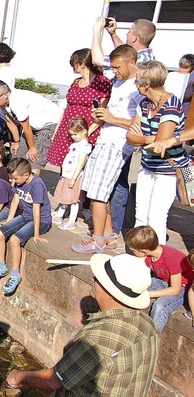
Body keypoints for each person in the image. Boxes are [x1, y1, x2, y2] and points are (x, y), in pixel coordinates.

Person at [6, 253, 158, 396]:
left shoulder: (98, 338)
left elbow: (54, 380)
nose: (92, 277)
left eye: (98, 278)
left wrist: (18, 376)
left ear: (111, 293)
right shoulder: (148, 324)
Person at [72, 45, 143, 255]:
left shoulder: (138, 87)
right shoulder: (119, 82)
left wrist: (112, 119)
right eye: (112, 67)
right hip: (105, 139)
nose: (115, 71)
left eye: (118, 67)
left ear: (132, 62)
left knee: (98, 194)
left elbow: (139, 123)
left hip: (117, 143)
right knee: (100, 190)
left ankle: (98, 239)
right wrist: (102, 116)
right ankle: (109, 236)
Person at [126, 60, 188, 245]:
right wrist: (149, 139)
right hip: (147, 165)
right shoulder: (144, 103)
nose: (135, 83)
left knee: (156, 217)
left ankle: (156, 260)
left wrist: (145, 138)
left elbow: (161, 144)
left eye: (137, 80)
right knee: (141, 214)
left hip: (167, 169)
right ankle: (139, 255)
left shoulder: (171, 104)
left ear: (146, 84)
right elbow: (131, 136)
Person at [0, 158, 52, 294]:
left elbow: (36, 210)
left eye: (15, 178)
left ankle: (15, 275)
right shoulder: (19, 182)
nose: (14, 182)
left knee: (15, 239)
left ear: (26, 175)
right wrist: (9, 220)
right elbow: (16, 200)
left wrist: (36, 233)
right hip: (26, 216)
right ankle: (0, 266)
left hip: (41, 221)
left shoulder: (37, 185)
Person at [47, 48, 112, 168]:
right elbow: (67, 107)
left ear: (82, 64)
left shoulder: (102, 82)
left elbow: (103, 110)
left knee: (80, 164)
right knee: (65, 164)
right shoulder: (75, 82)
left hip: (87, 129)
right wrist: (57, 130)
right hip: (67, 127)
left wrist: (87, 133)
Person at [125, 226, 192, 331]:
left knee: (160, 305)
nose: (132, 252)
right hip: (163, 281)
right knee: (132, 290)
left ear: (143, 251)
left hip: (183, 288)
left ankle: (151, 336)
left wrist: (147, 294)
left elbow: (175, 290)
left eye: (133, 250)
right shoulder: (149, 255)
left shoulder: (172, 258)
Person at [0, 80, 61, 175]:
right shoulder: (1, 104)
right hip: (31, 126)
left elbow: (25, 126)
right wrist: (16, 142)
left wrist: (32, 147)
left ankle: (32, 185)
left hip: (48, 123)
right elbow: (10, 122)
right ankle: (17, 183)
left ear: (5, 95)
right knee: (17, 154)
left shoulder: (17, 102)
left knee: (34, 158)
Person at [51, 116, 92, 231]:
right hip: (66, 174)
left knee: (73, 200)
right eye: (72, 135)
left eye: (75, 134)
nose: (73, 137)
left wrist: (74, 178)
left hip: (74, 176)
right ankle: (60, 213)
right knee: (64, 197)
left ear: (84, 131)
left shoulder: (84, 147)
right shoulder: (74, 145)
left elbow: (80, 164)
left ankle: (72, 219)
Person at [91, 16, 156, 71]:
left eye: (129, 32)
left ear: (135, 38)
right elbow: (125, 52)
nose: (127, 34)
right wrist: (113, 33)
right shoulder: (147, 56)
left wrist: (97, 30)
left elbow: (98, 60)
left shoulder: (139, 60)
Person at [164, 54, 194, 119]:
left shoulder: (169, 75)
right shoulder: (189, 78)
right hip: (180, 111)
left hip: (165, 107)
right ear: (192, 66)